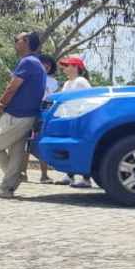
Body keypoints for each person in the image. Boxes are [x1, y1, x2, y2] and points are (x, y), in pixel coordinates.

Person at [0, 32, 46, 198]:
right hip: (28, 115)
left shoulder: (27, 61)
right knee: (16, 153)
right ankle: (7, 188)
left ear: (25, 41)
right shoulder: (37, 63)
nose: (15, 43)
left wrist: (1, 102)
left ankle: (13, 179)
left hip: (17, 115)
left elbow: (13, 86)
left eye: (16, 40)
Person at [54, 56, 92, 188]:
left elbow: (88, 100)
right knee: (69, 147)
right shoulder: (67, 83)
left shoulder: (81, 81)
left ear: (76, 67)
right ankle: (69, 175)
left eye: (68, 65)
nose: (65, 68)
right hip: (68, 119)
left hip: (80, 119)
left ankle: (86, 178)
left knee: (80, 147)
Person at [31, 54, 59, 184]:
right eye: (43, 63)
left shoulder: (53, 82)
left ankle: (44, 174)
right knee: (26, 142)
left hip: (45, 111)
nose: (46, 65)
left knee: (41, 141)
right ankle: (22, 173)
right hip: (30, 109)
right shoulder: (32, 76)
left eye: (48, 63)